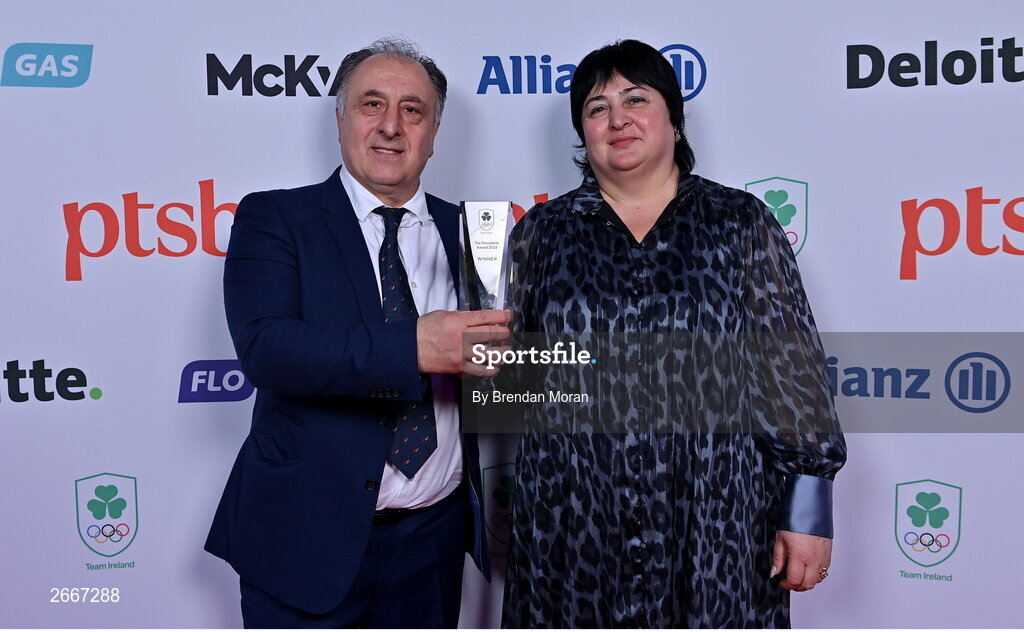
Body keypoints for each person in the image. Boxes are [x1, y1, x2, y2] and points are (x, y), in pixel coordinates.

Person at [500, 40, 846, 628]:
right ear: (582, 132)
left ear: (674, 118)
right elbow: (512, 380)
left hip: (715, 512)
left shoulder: (739, 221)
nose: (618, 119)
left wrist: (807, 508)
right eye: (597, 108)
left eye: (636, 99)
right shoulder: (541, 233)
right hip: (576, 514)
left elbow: (791, 369)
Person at [205, 37, 508, 628]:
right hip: (305, 539)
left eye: (412, 110)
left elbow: (501, 368)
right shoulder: (274, 217)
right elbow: (267, 350)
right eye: (373, 104)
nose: (391, 126)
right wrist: (416, 347)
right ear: (341, 118)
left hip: (434, 539)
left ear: (434, 132)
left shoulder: (476, 233)